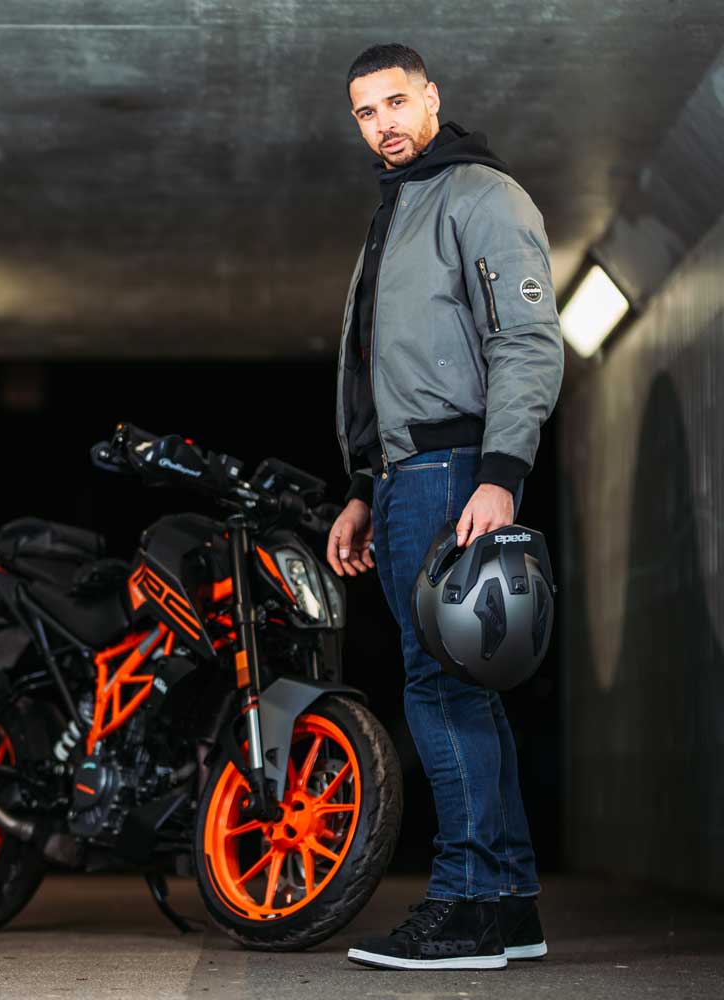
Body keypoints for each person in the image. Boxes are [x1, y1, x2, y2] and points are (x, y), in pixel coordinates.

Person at [326, 44, 564, 970]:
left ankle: (464, 904)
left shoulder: (480, 196)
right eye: (364, 111)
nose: (382, 122)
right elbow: (376, 372)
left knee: (439, 684)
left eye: (395, 102)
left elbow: (528, 339)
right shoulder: (400, 208)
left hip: (453, 472)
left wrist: (499, 472)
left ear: (431, 99)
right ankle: (507, 906)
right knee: (461, 686)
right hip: (399, 478)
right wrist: (358, 487)